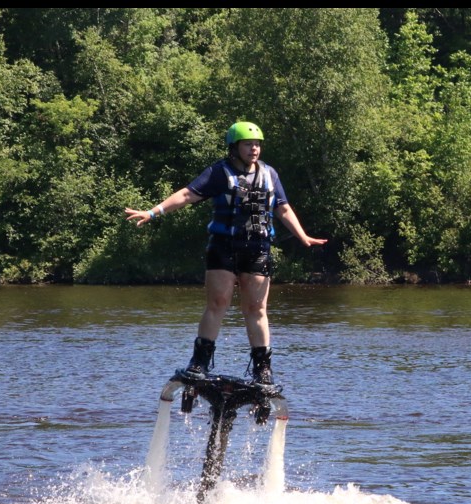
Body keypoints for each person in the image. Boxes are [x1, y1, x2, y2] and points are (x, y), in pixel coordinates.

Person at [125, 121, 327, 386]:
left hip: (257, 249)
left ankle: (262, 370)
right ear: (235, 147)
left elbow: (283, 208)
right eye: (248, 144)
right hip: (223, 247)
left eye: (257, 144)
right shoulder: (219, 172)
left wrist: (303, 236)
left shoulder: (270, 175)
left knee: (256, 309)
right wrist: (153, 212)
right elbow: (187, 194)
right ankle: (199, 363)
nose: (254, 149)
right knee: (218, 303)